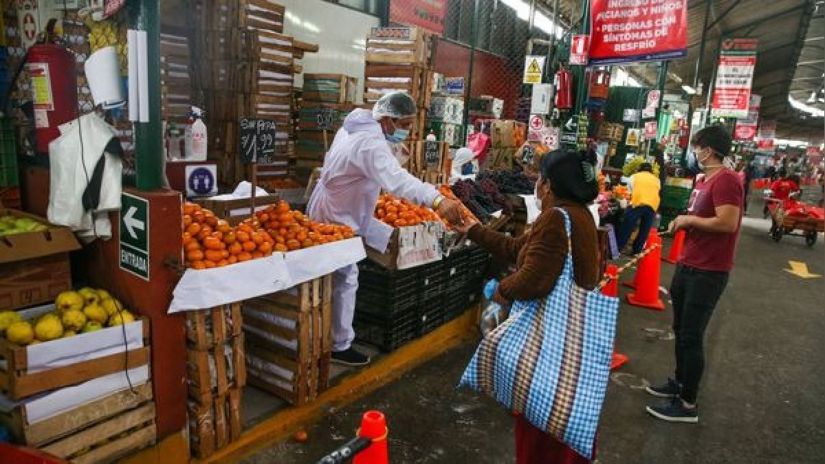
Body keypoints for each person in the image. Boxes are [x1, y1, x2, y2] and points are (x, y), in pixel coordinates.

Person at [455, 148, 600, 464]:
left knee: (541, 425)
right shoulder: (578, 215)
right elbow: (518, 248)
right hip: (572, 336)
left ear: (548, 185)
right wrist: (474, 231)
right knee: (562, 421)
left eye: (540, 178)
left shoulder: (555, 218)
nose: (535, 183)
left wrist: (502, 291)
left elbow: (535, 277)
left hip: (551, 338)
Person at [307, 92, 464, 366]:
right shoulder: (370, 144)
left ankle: (325, 335)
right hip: (337, 214)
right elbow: (397, 181)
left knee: (335, 273)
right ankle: (338, 345)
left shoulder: (354, 127)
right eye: (405, 124)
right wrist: (436, 199)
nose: (408, 130)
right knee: (345, 276)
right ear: (389, 121)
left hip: (339, 207)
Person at [646, 125, 743, 423]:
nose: (694, 151)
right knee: (681, 330)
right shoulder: (705, 180)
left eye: (696, 146)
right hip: (689, 264)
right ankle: (680, 382)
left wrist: (689, 220)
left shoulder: (727, 181)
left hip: (708, 271)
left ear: (708, 149)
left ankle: (688, 404)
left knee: (691, 335)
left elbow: (727, 223)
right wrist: (686, 223)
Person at [616, 162, 661, 255]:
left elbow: (628, 192)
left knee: (627, 227)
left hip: (637, 203)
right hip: (652, 205)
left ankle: (619, 248)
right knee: (644, 229)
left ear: (639, 169)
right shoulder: (657, 180)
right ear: (651, 171)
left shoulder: (634, 177)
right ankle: (637, 250)